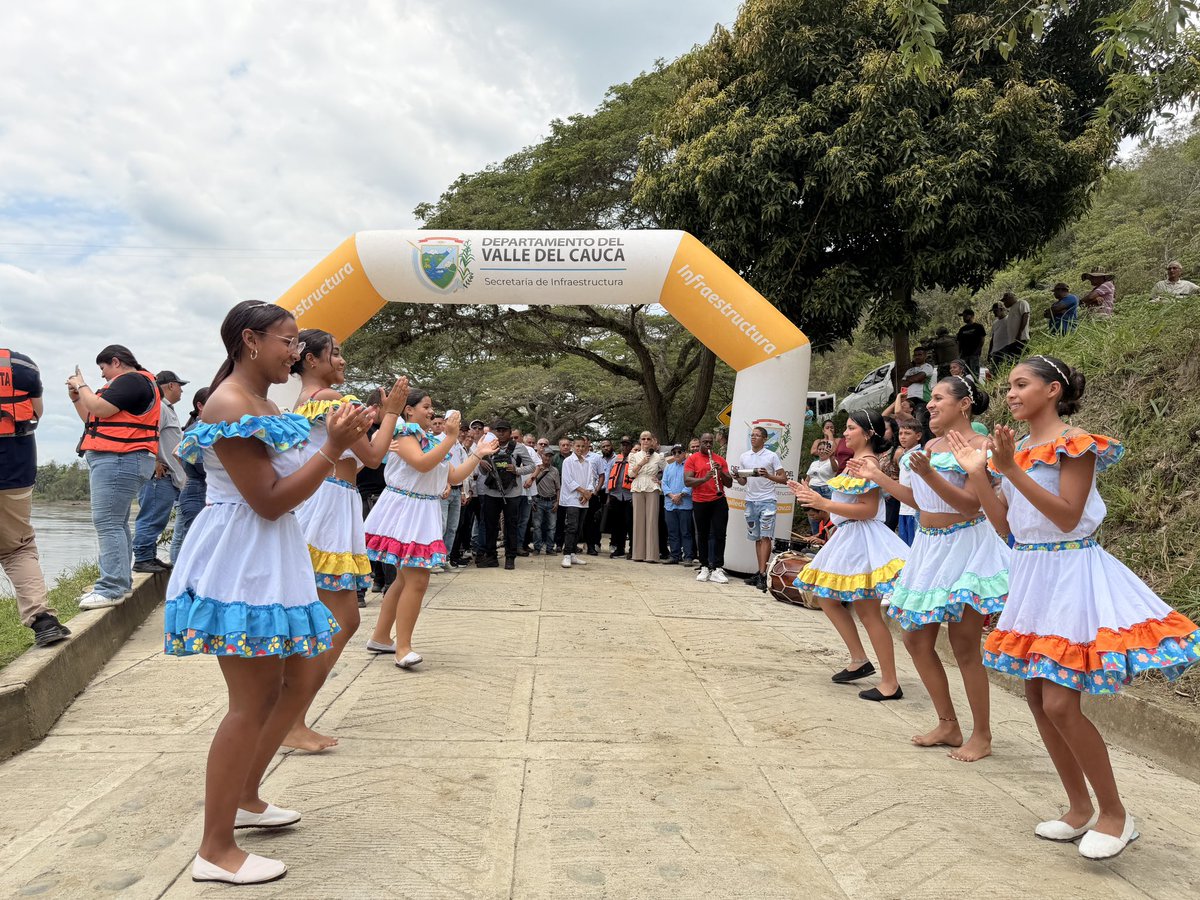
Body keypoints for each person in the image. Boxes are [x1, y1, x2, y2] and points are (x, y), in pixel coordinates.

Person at [950, 354, 1200, 859]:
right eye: (1011, 386)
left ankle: (1116, 814)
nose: (1012, 393)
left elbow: (1066, 518)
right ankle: (1079, 808)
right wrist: (980, 474)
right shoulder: (1015, 448)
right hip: (1032, 574)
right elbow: (1006, 528)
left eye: (1023, 384)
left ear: (1053, 390)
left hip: (1071, 574)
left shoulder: (1076, 445)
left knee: (1062, 702)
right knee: (1039, 699)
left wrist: (1007, 469)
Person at [163, 299, 372, 885]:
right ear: (251, 341)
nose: (295, 352)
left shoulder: (262, 402)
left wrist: (333, 438)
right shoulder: (231, 403)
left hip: (264, 552)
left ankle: (246, 802)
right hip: (244, 558)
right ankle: (214, 849)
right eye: (287, 341)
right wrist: (332, 448)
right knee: (249, 704)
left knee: (272, 688)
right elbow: (270, 497)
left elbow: (282, 486)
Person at [851, 378, 1008, 762]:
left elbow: (972, 506)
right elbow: (919, 503)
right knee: (916, 640)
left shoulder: (981, 448)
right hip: (929, 547)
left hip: (967, 547)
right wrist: (880, 478)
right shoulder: (931, 447)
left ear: (964, 404)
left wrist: (928, 474)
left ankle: (982, 735)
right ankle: (948, 724)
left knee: (965, 646)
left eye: (939, 398)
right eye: (932, 398)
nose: (931, 405)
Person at [288, 330, 407, 750]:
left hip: (325, 502)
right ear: (312, 359)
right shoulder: (332, 401)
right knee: (340, 619)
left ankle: (290, 716)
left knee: (332, 618)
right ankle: (291, 718)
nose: (341, 360)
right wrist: (392, 411)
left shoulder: (303, 401)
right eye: (334, 353)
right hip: (329, 503)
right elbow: (373, 456)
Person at [365, 395, 496, 666]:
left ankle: (381, 637)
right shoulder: (403, 433)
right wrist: (450, 437)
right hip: (407, 508)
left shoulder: (434, 441)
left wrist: (478, 453)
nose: (431, 411)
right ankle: (402, 649)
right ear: (409, 410)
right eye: (426, 407)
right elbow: (421, 463)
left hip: (420, 510)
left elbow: (455, 476)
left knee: (404, 580)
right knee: (417, 581)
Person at [788, 410, 907, 702]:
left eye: (851, 428)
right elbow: (845, 506)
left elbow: (867, 509)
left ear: (868, 433)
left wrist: (822, 501)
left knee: (868, 612)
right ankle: (858, 659)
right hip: (849, 537)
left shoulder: (867, 464)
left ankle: (890, 682)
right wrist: (811, 497)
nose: (845, 433)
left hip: (863, 539)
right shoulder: (855, 463)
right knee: (828, 598)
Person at [68, 345, 160, 609]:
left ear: (116, 362)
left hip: (120, 458)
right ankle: (119, 583)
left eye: (103, 369)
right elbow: (92, 416)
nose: (103, 376)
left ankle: (111, 588)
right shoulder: (130, 385)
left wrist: (81, 384)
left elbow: (99, 407)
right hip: (120, 459)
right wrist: (76, 396)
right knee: (116, 522)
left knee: (107, 522)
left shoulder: (132, 380)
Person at [0, 348, 70, 647]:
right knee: (17, 548)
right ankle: (42, 620)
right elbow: (36, 412)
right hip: (14, 468)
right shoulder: (21, 364)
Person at [132, 370, 189, 573]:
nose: (182, 390)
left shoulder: (167, 409)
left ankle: (149, 556)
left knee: (157, 518)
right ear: (170, 386)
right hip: (159, 475)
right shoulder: (160, 409)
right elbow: (147, 434)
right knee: (151, 516)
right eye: (179, 385)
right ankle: (143, 558)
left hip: (168, 476)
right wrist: (154, 460)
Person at [477, 419, 536, 569]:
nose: (501, 433)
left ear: (510, 432)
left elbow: (531, 466)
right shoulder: (489, 447)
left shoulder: (519, 448)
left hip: (512, 493)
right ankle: (491, 556)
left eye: (504, 430)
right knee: (490, 526)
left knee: (511, 526)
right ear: (494, 432)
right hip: (491, 492)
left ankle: (510, 557)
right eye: (498, 430)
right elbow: (483, 471)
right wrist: (482, 464)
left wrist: (516, 470)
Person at [735, 426, 786, 590]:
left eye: (757, 435)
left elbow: (783, 478)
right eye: (752, 435)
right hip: (750, 501)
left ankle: (764, 575)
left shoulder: (771, 456)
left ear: (765, 439)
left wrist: (768, 475)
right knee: (757, 538)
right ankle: (761, 571)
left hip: (767, 500)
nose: (753, 438)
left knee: (766, 537)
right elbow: (743, 482)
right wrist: (737, 476)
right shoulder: (744, 456)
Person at [170, 387, 210, 564]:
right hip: (199, 490)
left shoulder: (195, 428)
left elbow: (176, 452)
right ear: (200, 406)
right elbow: (200, 466)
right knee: (194, 544)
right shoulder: (199, 429)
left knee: (191, 540)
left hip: (194, 488)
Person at [684, 433, 732, 584]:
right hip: (700, 501)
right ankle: (704, 566)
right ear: (700, 443)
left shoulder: (720, 460)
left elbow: (729, 483)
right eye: (705, 442)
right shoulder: (693, 459)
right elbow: (687, 481)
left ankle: (717, 568)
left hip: (718, 500)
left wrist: (721, 473)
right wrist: (705, 478)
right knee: (702, 534)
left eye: (710, 442)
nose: (708, 445)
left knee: (720, 534)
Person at [628, 431, 665, 563]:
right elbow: (631, 475)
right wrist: (642, 463)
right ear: (640, 441)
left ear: (652, 441)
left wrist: (661, 481)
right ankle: (638, 554)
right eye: (643, 439)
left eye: (648, 438)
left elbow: (667, 471)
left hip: (652, 487)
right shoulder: (634, 456)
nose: (645, 441)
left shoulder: (659, 457)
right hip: (637, 485)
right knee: (638, 520)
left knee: (652, 520)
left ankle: (652, 555)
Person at [559, 436, 594, 568]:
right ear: (573, 446)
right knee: (572, 527)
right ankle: (566, 554)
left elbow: (591, 480)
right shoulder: (568, 461)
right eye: (578, 446)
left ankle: (573, 553)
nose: (580, 449)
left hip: (584, 500)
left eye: (582, 446)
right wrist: (583, 492)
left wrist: (588, 494)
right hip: (572, 499)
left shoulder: (588, 462)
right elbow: (568, 481)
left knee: (579, 528)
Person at [660, 444, 694, 564]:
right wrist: (671, 496)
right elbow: (664, 483)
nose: (677, 454)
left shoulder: (689, 466)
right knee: (672, 532)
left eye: (679, 452)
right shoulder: (668, 467)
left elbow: (691, 483)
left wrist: (681, 495)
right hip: (670, 504)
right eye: (674, 452)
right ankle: (675, 555)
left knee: (686, 532)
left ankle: (688, 556)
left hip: (685, 503)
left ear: (684, 452)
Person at [892, 417, 922, 545]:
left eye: (908, 433)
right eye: (900, 433)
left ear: (918, 435)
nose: (903, 437)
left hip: (914, 510)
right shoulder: (904, 456)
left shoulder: (919, 456)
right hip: (903, 509)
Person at [605, 436, 635, 558]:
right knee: (617, 524)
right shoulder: (615, 459)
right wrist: (608, 494)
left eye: (627, 445)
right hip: (615, 495)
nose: (625, 447)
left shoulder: (634, 459)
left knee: (630, 523)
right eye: (623, 445)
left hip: (629, 495)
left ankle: (633, 549)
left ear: (631, 446)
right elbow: (609, 476)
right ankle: (619, 548)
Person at [529, 446, 560, 553]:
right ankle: (537, 548)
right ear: (541, 456)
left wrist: (557, 501)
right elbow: (531, 484)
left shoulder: (555, 470)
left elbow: (558, 488)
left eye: (550, 456)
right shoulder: (536, 469)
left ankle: (550, 548)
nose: (548, 458)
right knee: (537, 526)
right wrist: (532, 500)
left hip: (552, 501)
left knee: (552, 527)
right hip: (538, 500)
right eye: (546, 455)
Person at [804, 440, 835, 536]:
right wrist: (804, 489)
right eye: (820, 449)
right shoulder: (814, 463)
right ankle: (815, 540)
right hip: (812, 489)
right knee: (813, 516)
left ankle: (826, 538)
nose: (822, 451)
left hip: (826, 489)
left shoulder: (832, 461)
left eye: (824, 449)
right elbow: (807, 479)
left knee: (828, 515)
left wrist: (831, 457)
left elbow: (836, 469)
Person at [900, 347, 937, 426]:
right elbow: (902, 384)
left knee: (920, 424)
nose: (917, 357)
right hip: (909, 400)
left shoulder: (927, 367)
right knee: (910, 424)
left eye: (920, 354)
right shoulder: (909, 370)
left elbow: (918, 377)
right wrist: (917, 379)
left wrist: (909, 379)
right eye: (915, 355)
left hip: (922, 399)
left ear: (925, 356)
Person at [955, 309, 987, 375]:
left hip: (974, 355)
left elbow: (982, 339)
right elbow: (959, 342)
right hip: (964, 356)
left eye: (965, 316)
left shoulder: (978, 327)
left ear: (971, 316)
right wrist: (959, 354)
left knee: (974, 374)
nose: (963, 318)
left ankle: (975, 385)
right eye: (963, 316)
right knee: (964, 375)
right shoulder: (962, 329)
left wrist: (978, 350)